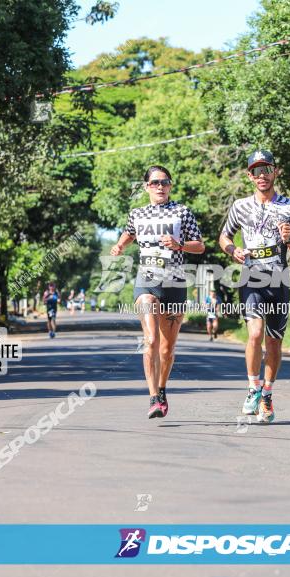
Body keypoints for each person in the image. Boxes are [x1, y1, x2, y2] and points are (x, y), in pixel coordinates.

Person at [218, 149, 290, 423]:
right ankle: (252, 389)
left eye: (266, 169)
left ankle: (267, 396)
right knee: (255, 333)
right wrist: (232, 250)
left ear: (275, 172)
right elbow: (224, 236)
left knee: (274, 342)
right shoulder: (240, 206)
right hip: (251, 275)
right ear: (250, 176)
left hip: (278, 277)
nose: (262, 175)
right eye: (256, 171)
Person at [110, 165, 204, 418]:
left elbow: (200, 246)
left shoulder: (181, 212)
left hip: (174, 283)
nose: (160, 186)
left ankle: (162, 390)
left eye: (164, 182)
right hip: (147, 281)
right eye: (155, 183)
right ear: (146, 187)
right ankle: (153, 397)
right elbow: (129, 234)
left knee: (167, 349)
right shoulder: (137, 214)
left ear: (170, 186)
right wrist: (119, 245)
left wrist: (179, 244)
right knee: (150, 340)